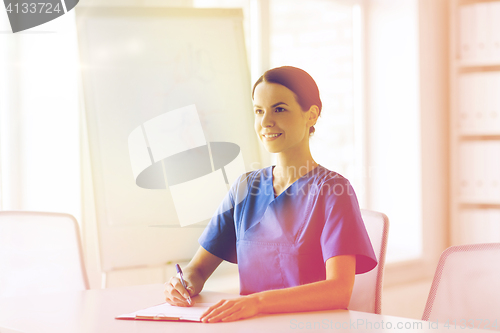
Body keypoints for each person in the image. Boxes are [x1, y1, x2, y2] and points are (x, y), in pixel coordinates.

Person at [164, 66, 377, 323]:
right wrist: (183, 284)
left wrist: (258, 303)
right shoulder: (245, 188)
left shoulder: (333, 191)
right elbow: (197, 269)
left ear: (311, 115)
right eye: (259, 111)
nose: (265, 122)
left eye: (279, 109)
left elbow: (339, 291)